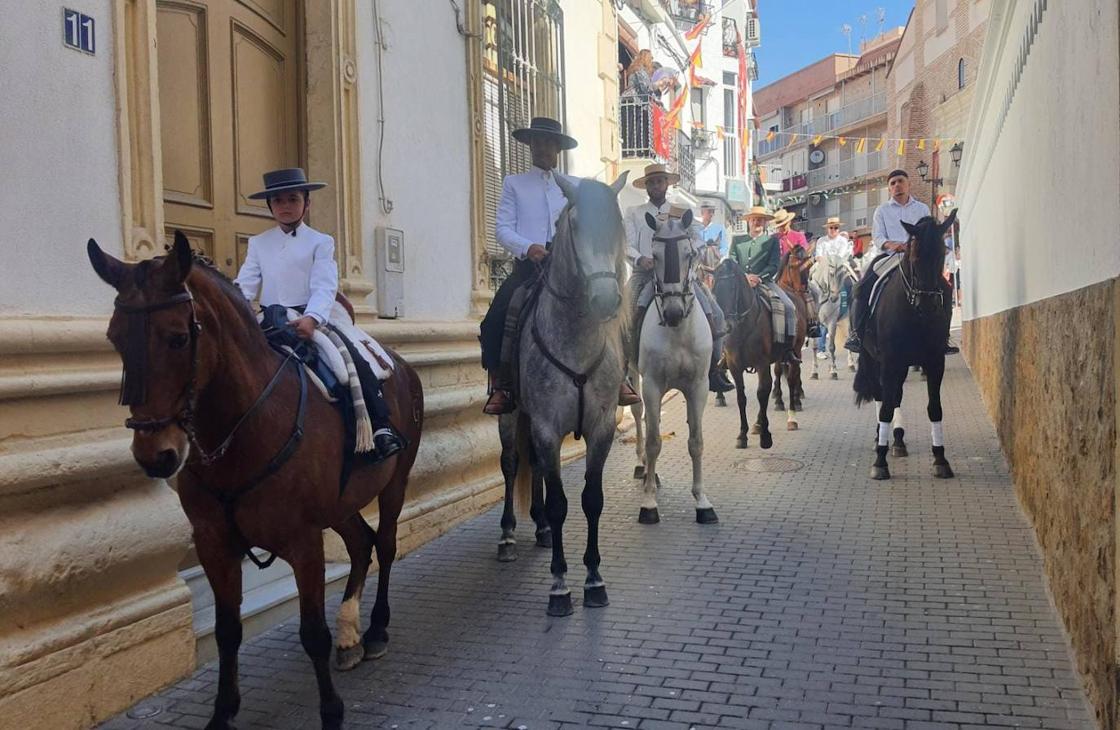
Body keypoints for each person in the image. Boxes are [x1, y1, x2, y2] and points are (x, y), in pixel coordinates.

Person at [235, 167, 405, 459]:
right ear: (270, 206)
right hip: (272, 318)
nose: (285, 206)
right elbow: (245, 285)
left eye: (292, 199)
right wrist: (236, 310)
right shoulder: (259, 243)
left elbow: (325, 285)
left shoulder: (320, 242)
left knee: (348, 359)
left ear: (307, 203)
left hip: (310, 315)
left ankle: (378, 426)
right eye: (278, 201)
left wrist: (313, 318)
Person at [479, 117, 640, 415]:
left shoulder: (577, 186)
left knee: (613, 309)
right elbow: (502, 228)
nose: (543, 148)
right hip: (531, 267)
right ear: (530, 146)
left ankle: (620, 378)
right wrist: (528, 247)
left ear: (557, 148)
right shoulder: (513, 183)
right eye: (538, 142)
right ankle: (502, 385)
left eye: (549, 143)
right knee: (494, 319)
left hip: (573, 270)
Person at [623, 164, 734, 393]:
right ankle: (624, 372)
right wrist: (641, 259)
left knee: (717, 315)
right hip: (645, 275)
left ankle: (714, 370)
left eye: (660, 181)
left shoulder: (680, 210)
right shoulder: (634, 212)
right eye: (652, 182)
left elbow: (698, 238)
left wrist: (691, 252)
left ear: (667, 184)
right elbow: (627, 244)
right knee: (625, 318)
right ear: (646, 186)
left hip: (681, 277)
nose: (656, 186)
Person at [843, 169, 958, 354]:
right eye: (893, 183)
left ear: (908, 184)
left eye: (900, 181)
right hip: (890, 257)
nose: (897, 186)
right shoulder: (882, 211)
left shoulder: (922, 209)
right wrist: (893, 244)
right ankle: (857, 333)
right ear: (889, 189)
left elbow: (929, 233)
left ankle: (943, 337)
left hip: (916, 259)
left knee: (944, 287)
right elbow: (878, 237)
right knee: (863, 286)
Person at [729, 206, 800, 363]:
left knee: (789, 307)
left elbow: (774, 264)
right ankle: (721, 352)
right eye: (754, 219)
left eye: (760, 219)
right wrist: (744, 277)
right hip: (740, 283)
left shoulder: (771, 241)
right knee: (721, 304)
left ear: (765, 222)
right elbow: (732, 262)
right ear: (748, 221)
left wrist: (759, 278)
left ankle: (786, 350)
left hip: (765, 282)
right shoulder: (737, 240)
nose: (757, 222)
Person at [773, 209, 821, 338]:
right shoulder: (773, 239)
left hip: (797, 270)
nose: (781, 228)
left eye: (783, 225)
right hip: (778, 271)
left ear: (788, 223)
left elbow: (805, 254)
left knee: (814, 291)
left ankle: (813, 323)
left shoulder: (798, 236)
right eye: (779, 226)